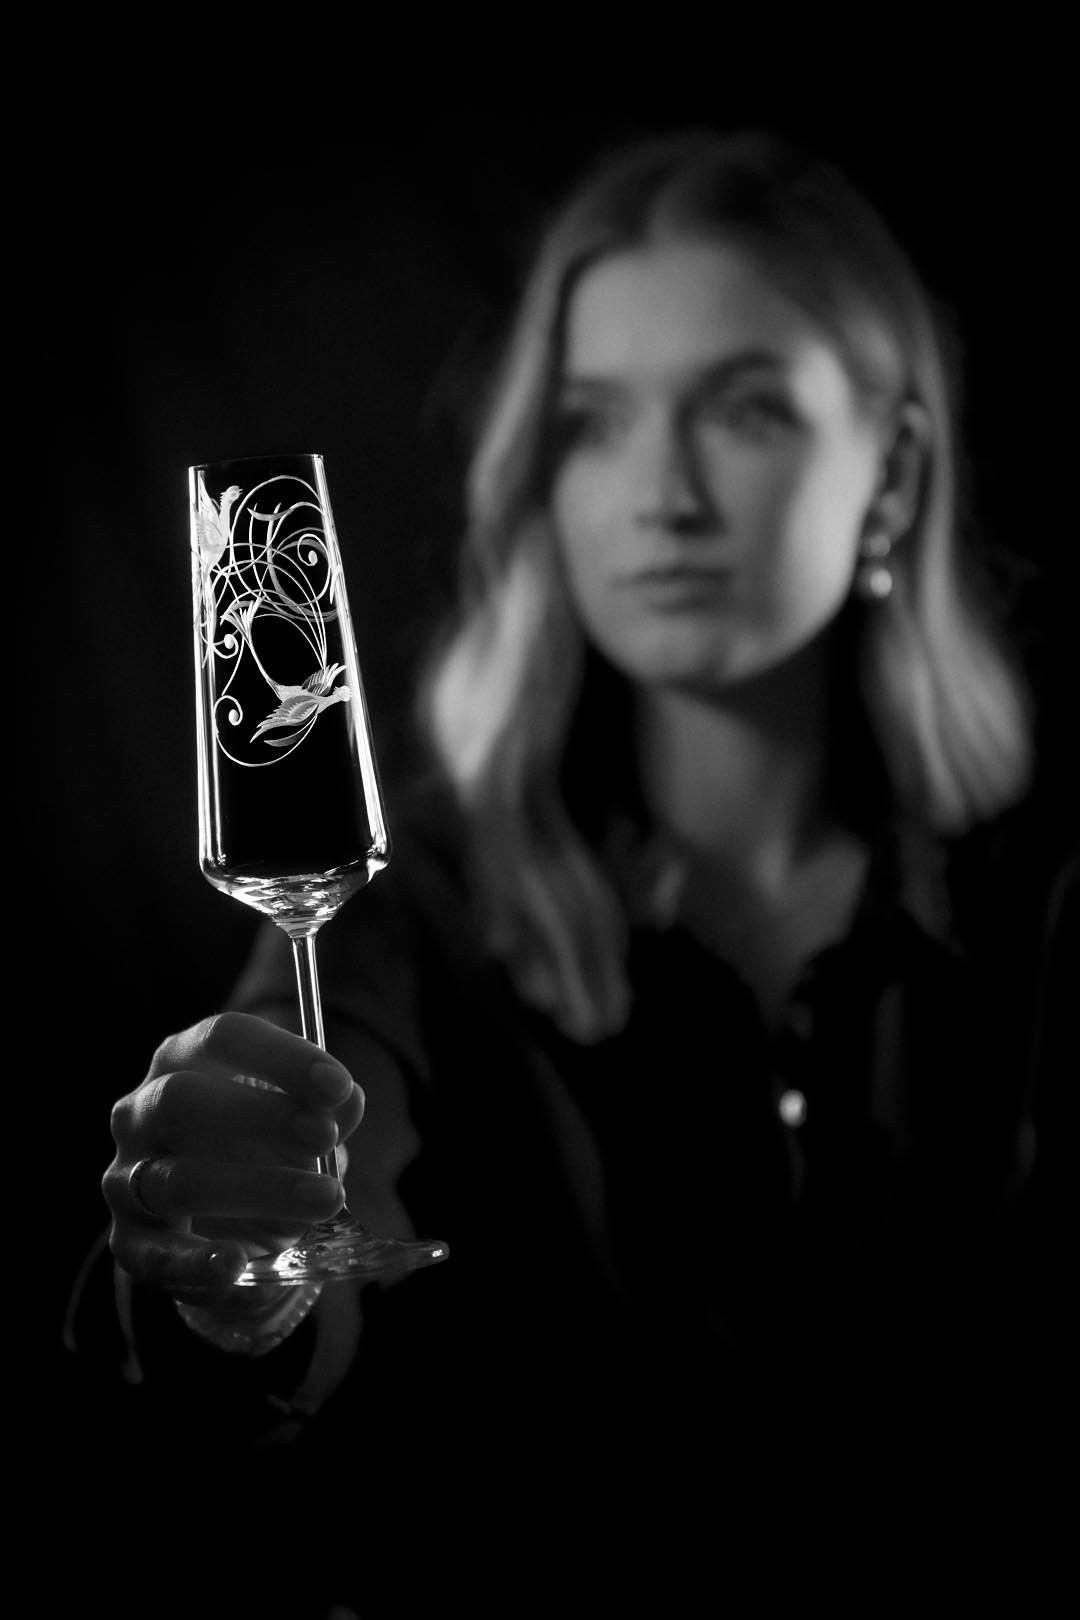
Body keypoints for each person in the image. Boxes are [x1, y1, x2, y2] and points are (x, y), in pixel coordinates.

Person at [77, 128, 1070, 1615]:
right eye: (594, 423)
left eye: (745, 409)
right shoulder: (417, 907)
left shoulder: (1051, 900)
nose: (661, 494)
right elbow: (275, 1256)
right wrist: (233, 1276)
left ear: (896, 471)